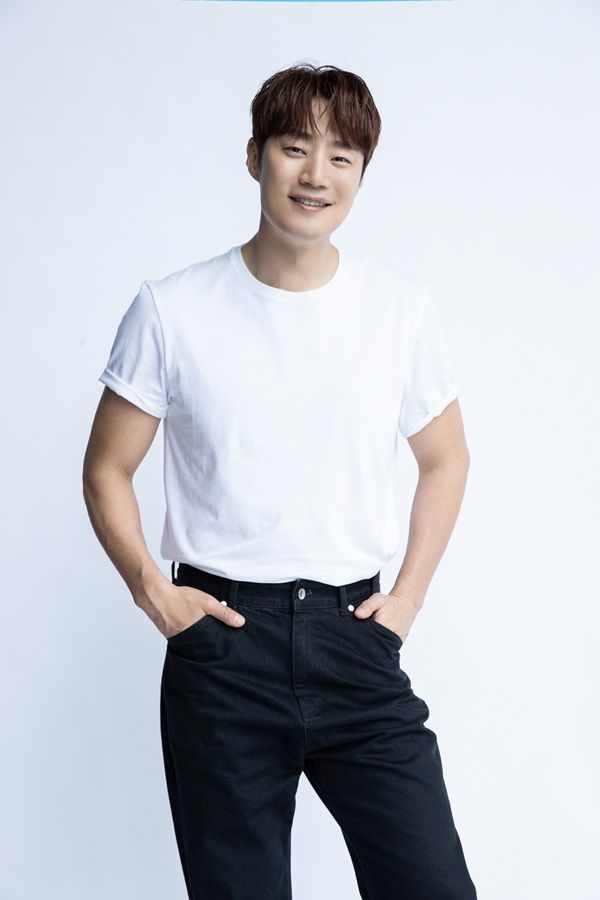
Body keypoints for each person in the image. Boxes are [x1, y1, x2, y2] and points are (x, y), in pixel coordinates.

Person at [83, 62, 477, 899]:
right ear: (254, 155)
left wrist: (406, 601)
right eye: (295, 147)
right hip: (223, 648)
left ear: (362, 173)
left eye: (341, 157)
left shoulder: (399, 312)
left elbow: (446, 459)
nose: (315, 174)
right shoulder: (172, 309)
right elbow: (107, 467)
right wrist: (155, 593)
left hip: (354, 637)